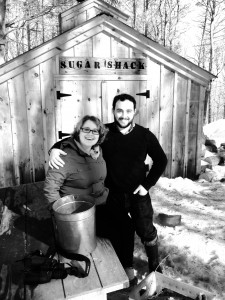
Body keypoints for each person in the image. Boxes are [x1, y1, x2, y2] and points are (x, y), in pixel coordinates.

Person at [49, 94, 168, 283]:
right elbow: (77, 140)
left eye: (128, 111)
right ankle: (127, 265)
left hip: (138, 193)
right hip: (111, 195)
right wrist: (56, 147)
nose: (124, 115)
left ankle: (154, 263)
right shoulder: (104, 133)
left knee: (146, 230)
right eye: (119, 110)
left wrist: (147, 185)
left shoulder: (144, 135)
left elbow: (161, 160)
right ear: (113, 110)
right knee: (123, 230)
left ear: (134, 112)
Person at [44, 115, 109, 207]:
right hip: (77, 211)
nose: (90, 134)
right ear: (79, 131)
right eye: (86, 129)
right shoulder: (63, 156)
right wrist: (62, 213)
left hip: (102, 204)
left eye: (95, 131)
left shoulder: (98, 151)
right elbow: (50, 190)